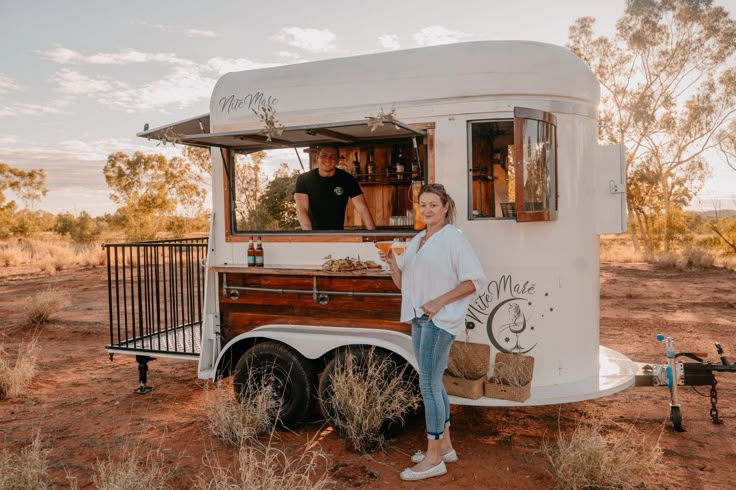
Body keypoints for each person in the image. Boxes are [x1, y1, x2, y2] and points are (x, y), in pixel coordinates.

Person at [381, 183, 486, 481]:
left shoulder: (454, 238)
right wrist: (392, 265)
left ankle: (433, 458)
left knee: (427, 384)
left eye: (433, 204)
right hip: (418, 318)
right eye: (422, 204)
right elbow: (406, 286)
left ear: (445, 207)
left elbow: (474, 281)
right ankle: (447, 448)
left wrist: (439, 302)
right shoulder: (418, 240)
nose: (427, 209)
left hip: (440, 320)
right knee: (434, 382)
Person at [294, 146, 376, 230]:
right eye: (324, 155)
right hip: (312, 234)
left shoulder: (347, 179)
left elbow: (362, 208)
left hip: (338, 234)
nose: (327, 159)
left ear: (337, 160)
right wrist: (310, 236)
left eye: (332, 156)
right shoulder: (304, 179)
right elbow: (302, 210)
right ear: (317, 158)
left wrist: (374, 236)